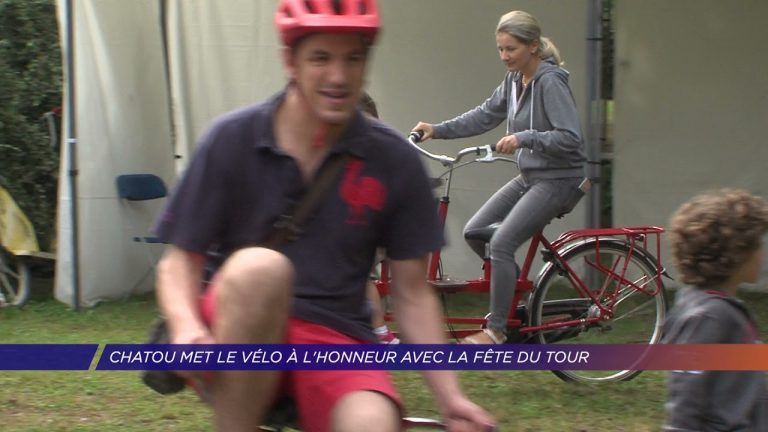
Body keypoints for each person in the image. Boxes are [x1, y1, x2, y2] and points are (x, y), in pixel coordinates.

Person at [153, 1, 495, 431]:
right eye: (321, 58)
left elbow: (411, 293)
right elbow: (179, 261)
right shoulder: (232, 139)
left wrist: (451, 399)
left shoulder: (393, 160)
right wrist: (185, 328)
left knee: (372, 422)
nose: (338, 76)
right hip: (236, 325)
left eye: (353, 58)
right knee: (263, 268)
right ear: (290, 61)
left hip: (334, 338)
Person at [411, 10, 586, 344]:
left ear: (533, 46)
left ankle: (496, 331)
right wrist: (437, 129)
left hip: (559, 179)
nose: (505, 56)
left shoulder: (550, 82)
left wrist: (525, 138)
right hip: (531, 176)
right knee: (476, 232)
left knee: (503, 242)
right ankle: (512, 302)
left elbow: (571, 138)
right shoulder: (513, 80)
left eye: (512, 49)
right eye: (501, 49)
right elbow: (483, 115)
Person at [662, 189, 768, 431]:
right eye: (757, 245)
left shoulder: (719, 309)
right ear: (736, 253)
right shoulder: (708, 317)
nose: (762, 254)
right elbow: (686, 394)